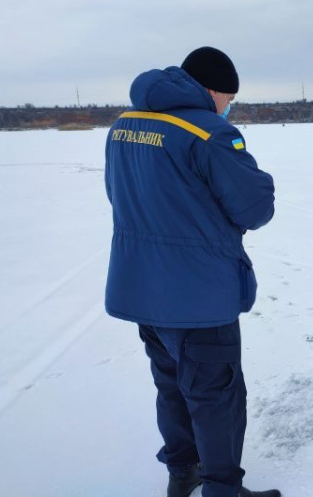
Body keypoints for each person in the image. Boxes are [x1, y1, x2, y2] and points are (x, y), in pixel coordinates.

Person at [104, 46, 280, 497]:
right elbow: (255, 207)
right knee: (215, 396)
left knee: (172, 387)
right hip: (199, 296)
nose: (227, 108)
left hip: (143, 287)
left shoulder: (124, 126)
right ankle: (222, 489)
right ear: (212, 90)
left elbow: (119, 195)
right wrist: (260, 180)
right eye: (228, 98)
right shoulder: (209, 132)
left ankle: (183, 472)